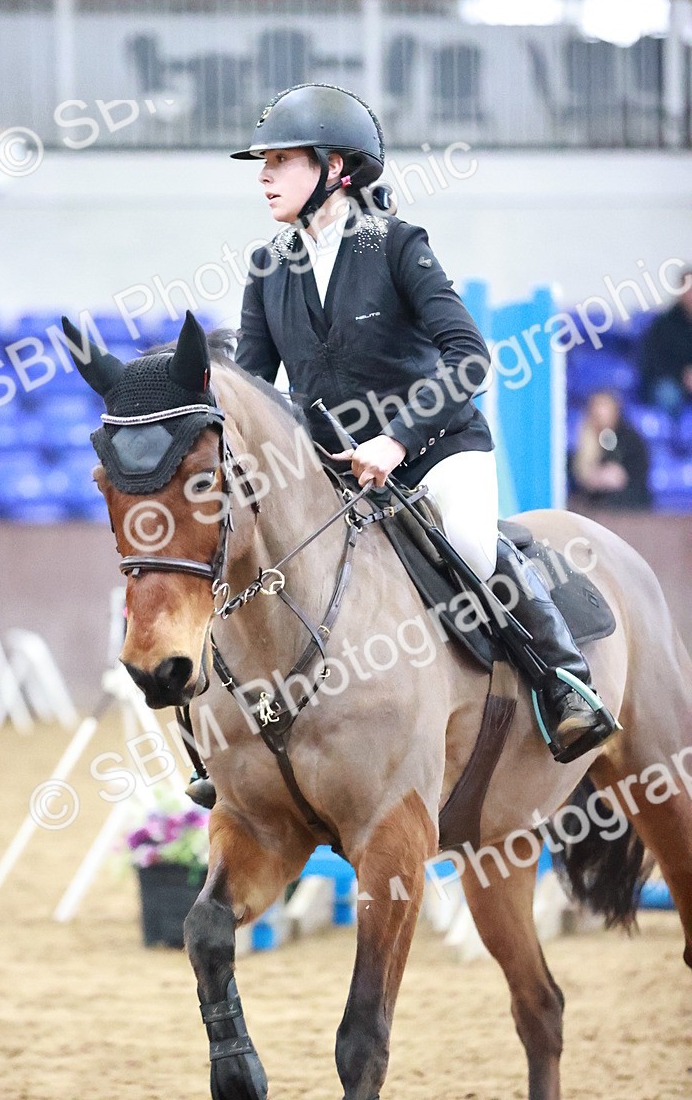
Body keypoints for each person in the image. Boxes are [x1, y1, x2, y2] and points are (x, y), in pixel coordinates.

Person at [228, 83, 615, 763]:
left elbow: (469, 358)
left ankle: (565, 684)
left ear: (335, 168)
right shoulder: (267, 269)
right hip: (338, 470)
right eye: (264, 162)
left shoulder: (398, 244)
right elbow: (257, 388)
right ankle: (239, 746)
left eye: (282, 159)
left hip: (435, 448)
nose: (264, 174)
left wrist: (397, 436)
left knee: (466, 544)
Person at [570, 390, 651, 510]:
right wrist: (591, 477)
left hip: (629, 502)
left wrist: (620, 476)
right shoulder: (585, 437)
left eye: (604, 407)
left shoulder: (630, 438)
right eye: (596, 407)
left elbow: (638, 473)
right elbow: (578, 477)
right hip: (593, 503)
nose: (600, 413)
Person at [640, 264, 692, 417]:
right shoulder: (663, 325)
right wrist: (682, 375)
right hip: (673, 383)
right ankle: (674, 438)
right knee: (668, 394)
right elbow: (654, 363)